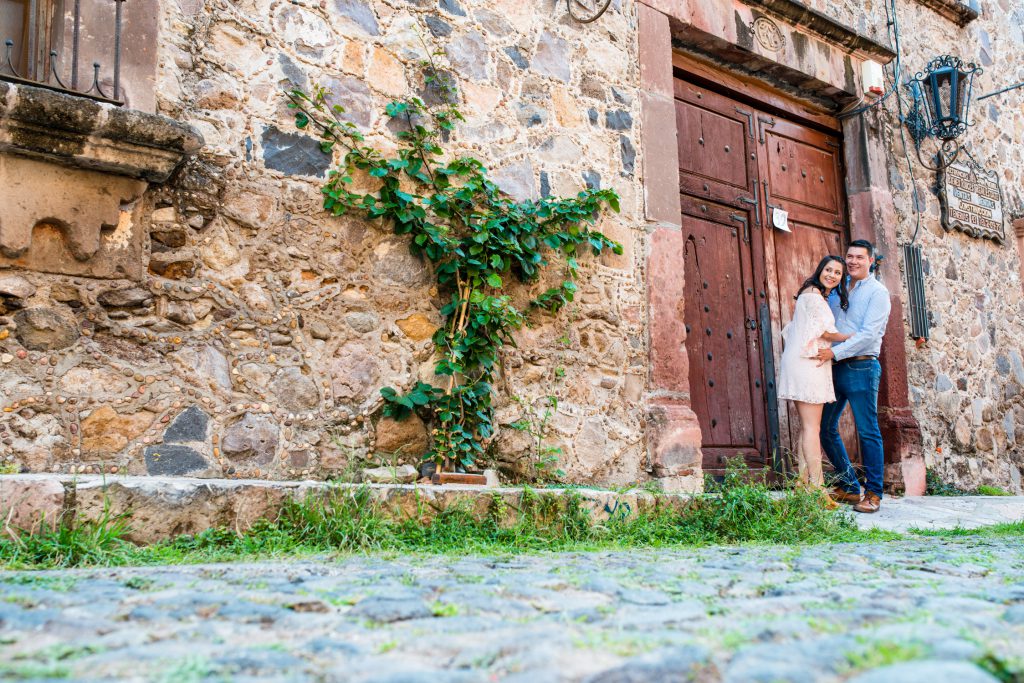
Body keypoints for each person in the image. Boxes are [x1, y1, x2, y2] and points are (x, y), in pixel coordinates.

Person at [815, 240, 891, 514]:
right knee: (824, 427)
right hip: (834, 367)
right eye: (850, 256)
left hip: (861, 366)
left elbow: (869, 334)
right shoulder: (836, 288)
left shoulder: (878, 293)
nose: (853, 261)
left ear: (870, 260)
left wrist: (834, 353)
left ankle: (873, 493)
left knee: (867, 430)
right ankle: (848, 485)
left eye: (859, 257)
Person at [778, 256, 851, 507]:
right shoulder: (814, 296)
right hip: (807, 364)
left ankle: (802, 483)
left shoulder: (809, 293)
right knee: (812, 428)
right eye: (828, 270)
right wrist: (853, 336)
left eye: (838, 273)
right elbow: (826, 332)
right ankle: (818, 490)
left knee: (807, 426)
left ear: (842, 278)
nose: (832, 275)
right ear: (820, 270)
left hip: (802, 361)